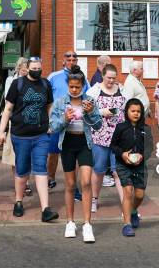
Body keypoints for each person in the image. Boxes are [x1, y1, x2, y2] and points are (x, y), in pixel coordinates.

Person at [0, 57, 59, 222]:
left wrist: (50, 123)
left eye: (39, 68)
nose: (37, 70)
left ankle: (46, 208)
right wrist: (1, 132)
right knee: (22, 170)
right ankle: (18, 201)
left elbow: (49, 106)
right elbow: (8, 108)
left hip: (41, 135)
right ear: (27, 68)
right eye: (34, 68)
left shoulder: (46, 84)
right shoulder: (18, 84)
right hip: (20, 135)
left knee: (40, 168)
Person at [49, 65, 102, 242]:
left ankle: (87, 224)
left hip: (85, 143)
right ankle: (70, 222)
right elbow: (54, 126)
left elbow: (98, 125)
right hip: (68, 143)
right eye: (71, 87)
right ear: (68, 85)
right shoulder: (60, 102)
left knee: (86, 182)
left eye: (77, 87)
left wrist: (90, 113)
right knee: (71, 184)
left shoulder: (89, 101)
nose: (74, 90)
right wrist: (65, 118)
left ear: (83, 86)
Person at [86, 63, 127, 213]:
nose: (111, 81)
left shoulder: (122, 90)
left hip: (119, 137)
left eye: (114, 78)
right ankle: (94, 199)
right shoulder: (93, 91)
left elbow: (128, 108)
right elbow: (86, 113)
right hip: (100, 137)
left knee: (118, 171)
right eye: (109, 78)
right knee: (99, 170)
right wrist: (101, 111)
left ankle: (126, 203)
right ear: (102, 75)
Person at [46, 51, 90, 190]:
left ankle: (73, 185)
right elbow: (46, 98)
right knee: (53, 152)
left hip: (76, 123)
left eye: (74, 58)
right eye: (68, 58)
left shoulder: (83, 78)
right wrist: (49, 120)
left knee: (75, 156)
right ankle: (51, 178)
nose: (71, 60)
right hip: (57, 120)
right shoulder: (53, 76)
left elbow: (88, 96)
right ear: (63, 60)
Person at [111, 98, 153, 237]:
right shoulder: (120, 127)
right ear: (127, 112)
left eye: (138, 111)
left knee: (140, 195)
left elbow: (149, 148)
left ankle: (133, 210)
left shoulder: (145, 129)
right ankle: (127, 224)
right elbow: (113, 146)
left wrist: (142, 156)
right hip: (123, 164)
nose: (136, 114)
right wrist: (122, 154)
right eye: (133, 111)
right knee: (128, 192)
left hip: (140, 166)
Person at [2, 57, 32, 196]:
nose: (25, 69)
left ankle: (26, 182)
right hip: (15, 121)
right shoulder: (12, 81)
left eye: (27, 67)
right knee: (14, 155)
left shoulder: (34, 81)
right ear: (18, 68)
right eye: (22, 67)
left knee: (28, 155)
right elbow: (9, 102)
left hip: (30, 122)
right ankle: (18, 183)